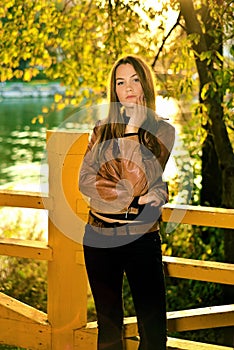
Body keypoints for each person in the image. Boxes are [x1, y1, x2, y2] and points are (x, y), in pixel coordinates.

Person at [79, 55, 175, 350]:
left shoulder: (162, 131)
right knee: (108, 329)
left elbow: (134, 181)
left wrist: (132, 128)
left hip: (141, 241)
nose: (128, 88)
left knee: (153, 330)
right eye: (121, 82)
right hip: (98, 238)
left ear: (145, 84)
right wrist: (141, 199)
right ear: (115, 91)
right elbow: (85, 183)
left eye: (134, 79)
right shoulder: (102, 129)